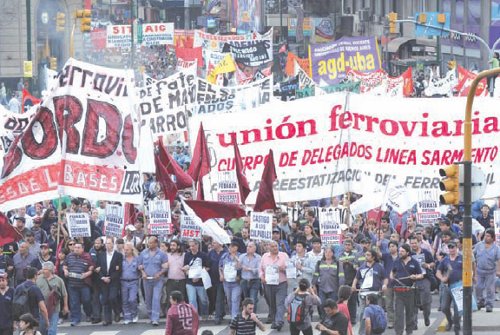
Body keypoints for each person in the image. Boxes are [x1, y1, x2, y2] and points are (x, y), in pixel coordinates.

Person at [391, 244, 423, 335]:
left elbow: (421, 275)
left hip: (410, 291)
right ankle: (399, 332)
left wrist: (415, 276)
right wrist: (392, 278)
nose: (400, 253)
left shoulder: (415, 262)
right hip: (398, 292)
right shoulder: (396, 262)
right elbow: (392, 273)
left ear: (408, 252)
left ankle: (409, 332)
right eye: (399, 251)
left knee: (410, 313)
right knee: (399, 314)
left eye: (402, 251)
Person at [138, 236, 168, 326]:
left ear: (156, 243)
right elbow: (139, 265)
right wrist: (142, 272)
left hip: (158, 280)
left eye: (151, 242)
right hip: (146, 280)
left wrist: (160, 273)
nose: (149, 244)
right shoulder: (143, 253)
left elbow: (166, 267)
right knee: (148, 299)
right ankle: (150, 316)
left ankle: (155, 318)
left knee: (156, 298)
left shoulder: (162, 254)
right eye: (149, 242)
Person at [259, 240, 289, 331]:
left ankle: (279, 321)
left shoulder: (284, 256)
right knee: (272, 303)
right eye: (272, 246)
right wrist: (262, 277)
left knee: (280, 302)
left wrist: (283, 269)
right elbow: (260, 269)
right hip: (268, 284)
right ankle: (274, 320)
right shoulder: (264, 256)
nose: (275, 248)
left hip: (281, 283)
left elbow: (290, 269)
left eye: (276, 246)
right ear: (268, 247)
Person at [63, 242, 94, 326]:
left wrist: (86, 274)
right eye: (75, 247)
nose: (76, 249)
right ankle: (75, 319)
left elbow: (91, 268)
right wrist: (65, 271)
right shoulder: (69, 256)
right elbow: (65, 265)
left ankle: (89, 314)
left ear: (82, 249)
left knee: (86, 300)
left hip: (84, 283)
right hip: (72, 284)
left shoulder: (87, 257)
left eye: (78, 247)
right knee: (74, 302)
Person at [436, 240, 462, 335]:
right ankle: (450, 321)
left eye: (453, 247)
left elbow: (469, 270)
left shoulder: (461, 258)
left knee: (457, 309)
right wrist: (442, 278)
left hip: (458, 286)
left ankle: (457, 329)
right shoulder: (445, 260)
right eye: (449, 247)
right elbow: (438, 271)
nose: (451, 249)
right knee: (444, 307)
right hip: (447, 286)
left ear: (456, 247)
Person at [35, 261, 68, 335]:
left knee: (52, 330)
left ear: (50, 270)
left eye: (45, 269)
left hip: (54, 308)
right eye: (43, 269)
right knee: (43, 331)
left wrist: (65, 306)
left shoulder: (59, 280)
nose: (43, 270)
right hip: (41, 309)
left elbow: (64, 294)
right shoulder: (38, 279)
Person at [96, 237, 123, 325]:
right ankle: (107, 319)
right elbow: (98, 268)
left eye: (109, 243)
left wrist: (110, 278)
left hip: (113, 280)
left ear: (113, 244)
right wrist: (102, 277)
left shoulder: (118, 255)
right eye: (106, 243)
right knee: (105, 299)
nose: (107, 245)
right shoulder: (101, 255)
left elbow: (118, 270)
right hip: (104, 280)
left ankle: (117, 311)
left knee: (112, 297)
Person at [312, 246, 345, 318]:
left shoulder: (338, 263)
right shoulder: (319, 263)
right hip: (322, 288)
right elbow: (316, 275)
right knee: (322, 305)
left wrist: (341, 287)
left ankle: (333, 320)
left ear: (333, 253)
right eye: (326, 252)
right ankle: (324, 320)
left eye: (330, 252)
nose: (328, 254)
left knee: (333, 306)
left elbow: (341, 276)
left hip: (334, 289)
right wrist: (313, 285)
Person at [409, 235, 434, 327]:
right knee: (412, 302)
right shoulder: (409, 254)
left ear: (419, 243)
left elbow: (433, 263)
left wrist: (427, 265)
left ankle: (426, 317)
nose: (414, 245)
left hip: (425, 279)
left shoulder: (426, 253)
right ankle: (414, 323)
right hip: (413, 280)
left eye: (415, 243)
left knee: (426, 302)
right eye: (412, 243)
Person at [474, 228, 500, 312]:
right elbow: (472, 254)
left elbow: (498, 260)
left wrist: (498, 271)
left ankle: (489, 304)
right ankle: (480, 302)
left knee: (490, 289)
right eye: (485, 235)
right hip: (479, 271)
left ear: (492, 238)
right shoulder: (479, 245)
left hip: (490, 272)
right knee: (478, 287)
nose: (486, 237)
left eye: (488, 236)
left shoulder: (496, 248)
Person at [182, 239, 210, 321]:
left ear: (197, 245)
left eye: (193, 246)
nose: (191, 248)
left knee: (203, 300)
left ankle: (204, 313)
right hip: (190, 282)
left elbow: (207, 267)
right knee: (192, 300)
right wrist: (188, 273)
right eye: (190, 246)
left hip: (201, 282)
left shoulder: (203, 255)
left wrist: (199, 275)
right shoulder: (187, 255)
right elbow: (185, 267)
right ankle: (195, 317)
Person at [239, 241, 261, 312]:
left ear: (254, 248)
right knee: (246, 300)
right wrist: (237, 265)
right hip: (244, 280)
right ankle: (246, 315)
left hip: (254, 280)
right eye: (247, 246)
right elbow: (237, 268)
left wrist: (249, 269)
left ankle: (253, 317)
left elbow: (259, 270)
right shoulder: (242, 256)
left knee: (253, 299)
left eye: (250, 246)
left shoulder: (258, 257)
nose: (248, 248)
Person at [0, 270, 14, 335]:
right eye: (0, 281)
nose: (1, 282)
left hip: (8, 325)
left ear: (7, 281)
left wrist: (14, 322)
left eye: (3, 280)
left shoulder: (12, 291)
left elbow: (15, 308)